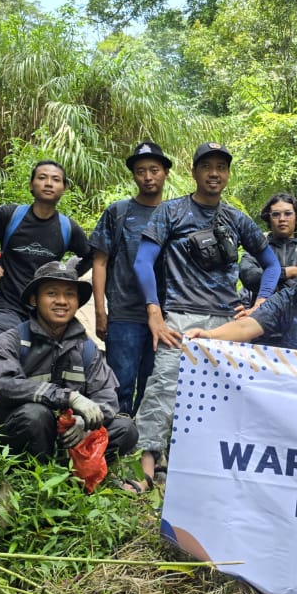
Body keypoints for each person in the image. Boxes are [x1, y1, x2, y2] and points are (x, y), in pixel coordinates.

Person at [133, 143, 281, 484]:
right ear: (194, 171)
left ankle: (201, 471)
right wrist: (154, 312)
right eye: (207, 166)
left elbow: (271, 264)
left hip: (228, 321)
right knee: (163, 387)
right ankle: (144, 470)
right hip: (181, 315)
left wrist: (261, 302)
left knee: (220, 397)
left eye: (221, 167)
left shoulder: (237, 218)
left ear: (227, 174)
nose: (214, 173)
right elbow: (143, 262)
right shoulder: (171, 212)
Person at [0, 262, 139, 481]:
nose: (61, 301)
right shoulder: (11, 341)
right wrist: (68, 397)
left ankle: (71, 475)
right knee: (35, 415)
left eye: (69, 294)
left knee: (126, 429)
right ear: (34, 299)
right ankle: (31, 479)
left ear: (77, 302)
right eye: (51, 293)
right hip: (22, 430)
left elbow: (106, 397)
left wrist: (85, 423)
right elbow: (7, 386)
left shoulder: (87, 349)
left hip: (68, 435)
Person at [0, 160, 91, 409]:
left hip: (44, 312)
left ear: (64, 188)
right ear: (32, 185)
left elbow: (90, 254)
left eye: (55, 179)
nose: (48, 183)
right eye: (42, 177)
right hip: (9, 305)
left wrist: (68, 275)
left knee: (39, 365)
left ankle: (15, 414)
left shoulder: (67, 228)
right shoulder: (10, 216)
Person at [90, 141, 171, 416]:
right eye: (140, 171)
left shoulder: (176, 213)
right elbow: (99, 261)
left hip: (166, 315)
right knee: (119, 383)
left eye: (154, 170)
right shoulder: (119, 212)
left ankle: (143, 444)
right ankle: (116, 440)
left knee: (153, 383)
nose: (148, 177)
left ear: (165, 173)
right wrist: (101, 311)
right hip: (124, 312)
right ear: (134, 175)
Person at [240, 192, 297, 302]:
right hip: (262, 313)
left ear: (296, 217)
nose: (282, 219)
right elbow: (249, 277)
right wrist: (291, 271)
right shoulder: (257, 249)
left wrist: (270, 277)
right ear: (268, 217)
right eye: (276, 214)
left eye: (288, 214)